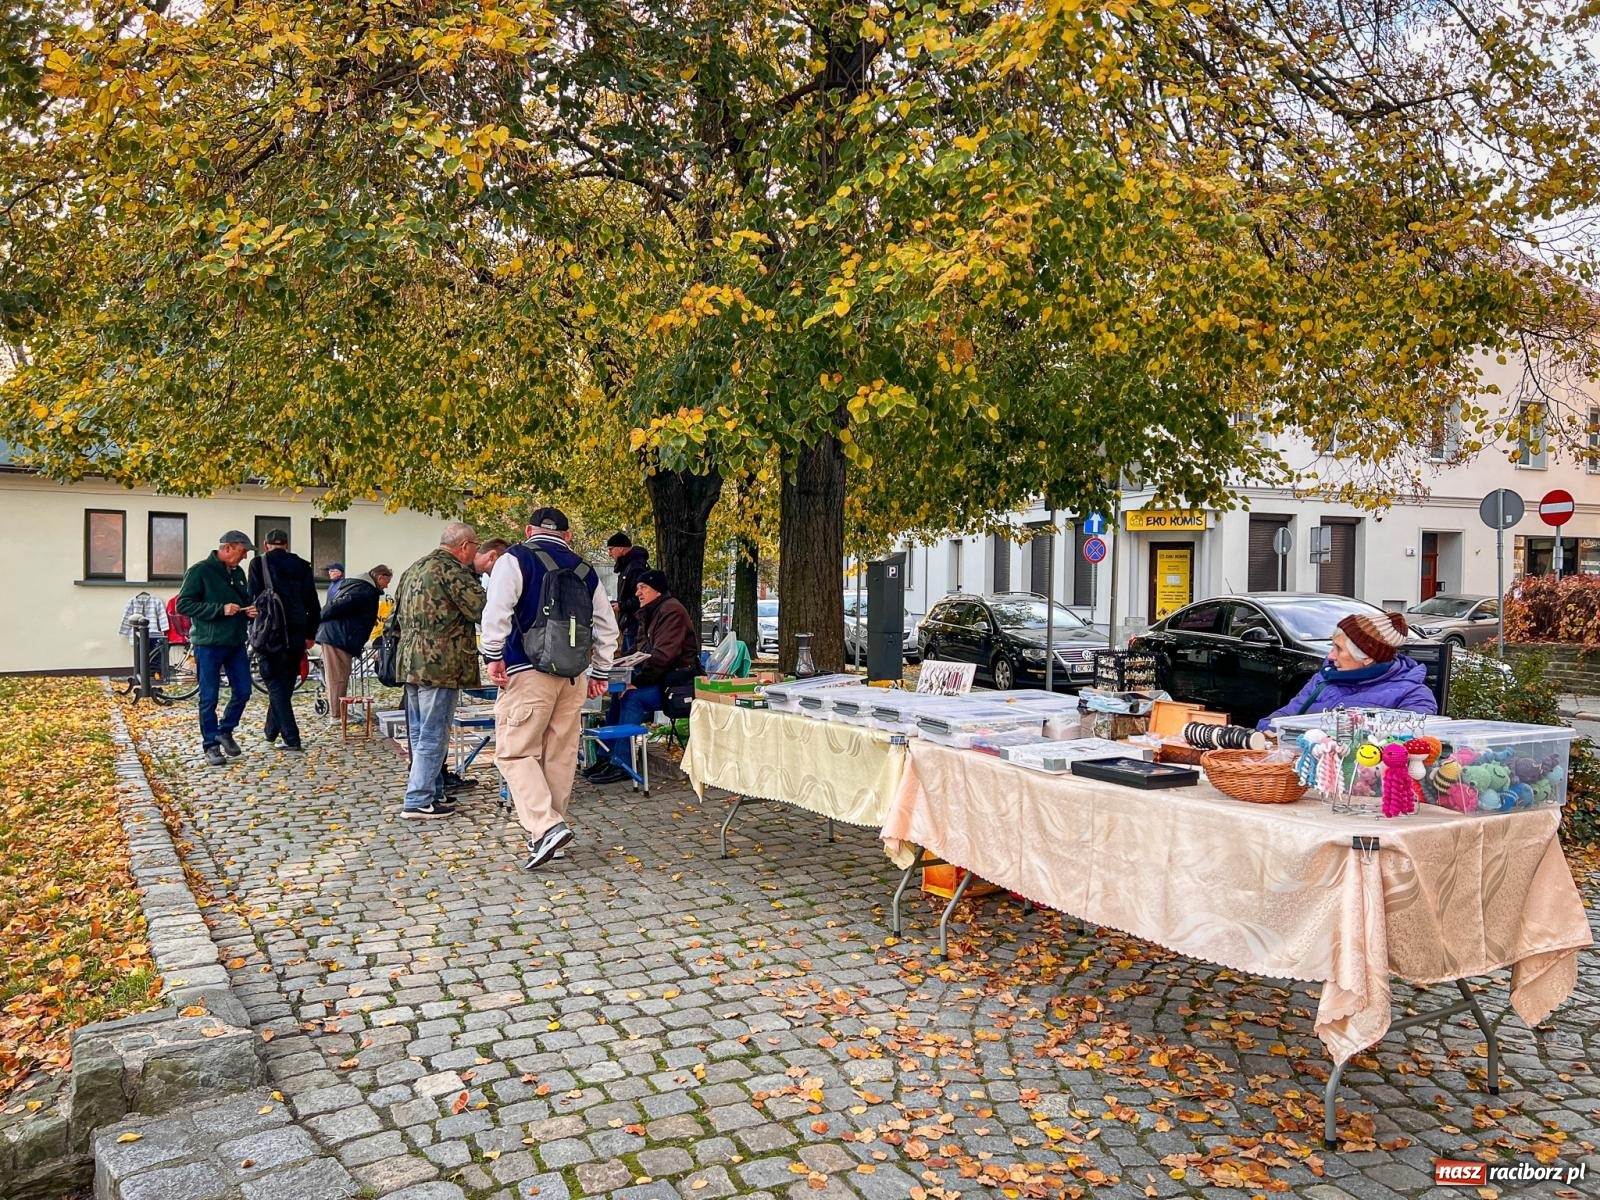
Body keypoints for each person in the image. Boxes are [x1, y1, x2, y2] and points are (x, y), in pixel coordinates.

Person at [482, 506, 618, 867]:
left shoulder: (515, 559)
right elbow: (607, 626)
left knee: (514, 753)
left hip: (527, 672)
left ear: (528, 531)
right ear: (567, 536)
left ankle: (546, 826)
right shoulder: (585, 570)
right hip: (573, 677)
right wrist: (601, 672)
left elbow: (497, 611)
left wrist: (492, 655)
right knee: (559, 756)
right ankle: (549, 837)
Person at [394, 522, 486, 819]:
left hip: (409, 660)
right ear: (464, 545)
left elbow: (395, 617)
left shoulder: (413, 569)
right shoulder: (452, 570)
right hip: (440, 663)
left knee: (419, 732)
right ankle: (418, 798)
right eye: (475, 546)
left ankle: (431, 791)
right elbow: (482, 609)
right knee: (434, 733)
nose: (475, 552)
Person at [586, 569, 700, 785]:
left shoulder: (672, 611)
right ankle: (606, 756)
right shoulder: (650, 612)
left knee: (631, 697)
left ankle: (622, 763)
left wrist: (636, 683)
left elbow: (663, 657)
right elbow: (639, 650)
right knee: (618, 693)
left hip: (678, 685)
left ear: (658, 591)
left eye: (643, 588)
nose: (638, 592)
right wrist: (613, 663)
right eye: (637, 588)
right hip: (662, 680)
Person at [1259, 610, 1437, 729]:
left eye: (1339, 649)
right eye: (1332, 646)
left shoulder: (1413, 695)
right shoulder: (1324, 678)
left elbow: (1406, 748)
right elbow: (1282, 717)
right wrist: (1266, 730)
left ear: (1367, 658)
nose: (1330, 656)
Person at [176, 531, 258, 767]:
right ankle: (211, 745)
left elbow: (242, 602)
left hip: (235, 642)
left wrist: (248, 611)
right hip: (208, 643)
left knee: (243, 690)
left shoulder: (238, 573)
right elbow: (184, 605)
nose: (245, 557)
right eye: (243, 551)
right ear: (228, 548)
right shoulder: (200, 571)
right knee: (209, 696)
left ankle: (225, 730)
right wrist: (220, 610)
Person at [247, 529, 321, 751]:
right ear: (287, 545)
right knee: (285, 684)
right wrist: (310, 635)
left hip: (270, 633)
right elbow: (313, 604)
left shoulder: (258, 564)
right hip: (297, 634)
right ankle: (271, 730)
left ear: (266, 544)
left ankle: (291, 738)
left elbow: (252, 598)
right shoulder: (302, 565)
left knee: (275, 684)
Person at [315, 564, 392, 724]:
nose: (387, 586)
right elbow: (337, 606)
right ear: (380, 577)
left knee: (340, 675)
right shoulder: (363, 590)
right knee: (338, 677)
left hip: (339, 636)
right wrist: (318, 618)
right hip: (339, 637)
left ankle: (339, 713)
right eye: (387, 581)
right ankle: (337, 716)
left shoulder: (360, 587)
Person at [607, 532, 650, 649]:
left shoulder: (636, 567)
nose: (609, 554)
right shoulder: (628, 566)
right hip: (630, 622)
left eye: (611, 549)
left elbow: (641, 597)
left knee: (631, 657)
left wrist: (622, 606)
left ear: (621, 548)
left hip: (635, 623)